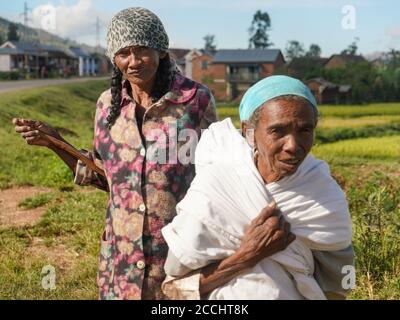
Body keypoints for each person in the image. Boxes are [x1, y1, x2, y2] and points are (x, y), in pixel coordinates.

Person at [12, 7, 218, 300]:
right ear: (114, 58)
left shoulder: (195, 100)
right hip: (121, 261)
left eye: (142, 51)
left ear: (160, 50)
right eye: (123, 53)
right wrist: (55, 142)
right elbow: (104, 177)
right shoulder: (107, 105)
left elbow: (215, 172)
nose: (133, 62)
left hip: (177, 254)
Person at [161, 75, 355, 300]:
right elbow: (174, 286)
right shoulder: (215, 188)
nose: (293, 145)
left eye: (304, 130)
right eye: (278, 131)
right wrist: (247, 255)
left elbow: (339, 286)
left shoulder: (324, 196)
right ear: (248, 132)